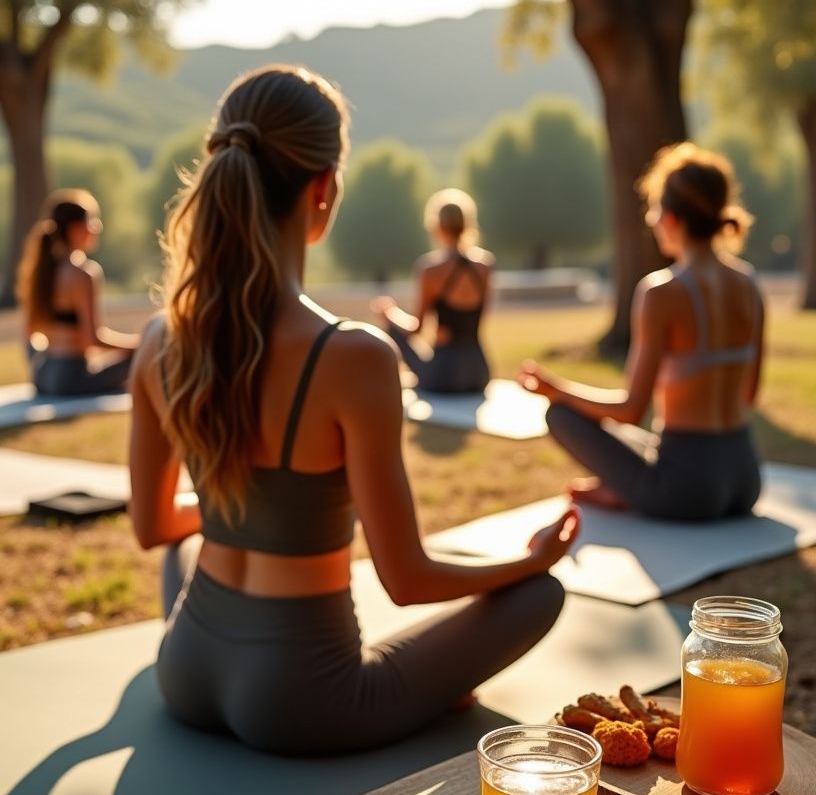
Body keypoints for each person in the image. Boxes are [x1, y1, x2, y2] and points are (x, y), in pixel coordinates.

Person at [128, 65, 579, 756]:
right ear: (324, 188)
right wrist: (528, 560)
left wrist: (236, 505)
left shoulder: (160, 337)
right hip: (305, 699)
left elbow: (155, 525)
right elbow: (406, 578)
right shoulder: (353, 355)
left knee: (190, 549)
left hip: (185, 669)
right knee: (539, 595)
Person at [518, 142, 763, 522]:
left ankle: (625, 491)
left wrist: (557, 389)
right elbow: (749, 393)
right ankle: (626, 486)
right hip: (745, 478)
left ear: (672, 219)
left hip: (688, 492)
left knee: (561, 416)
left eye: (653, 209)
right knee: (636, 443)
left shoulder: (662, 291)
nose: (649, 220)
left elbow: (631, 410)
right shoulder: (748, 284)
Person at [16, 189, 139, 396]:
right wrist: (137, 344)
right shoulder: (83, 274)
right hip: (71, 378)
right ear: (75, 229)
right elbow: (92, 339)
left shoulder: (43, 270)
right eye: (91, 221)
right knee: (150, 353)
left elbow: (28, 331)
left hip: (43, 374)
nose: (97, 227)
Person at [371, 188, 493, 394]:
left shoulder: (430, 269)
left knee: (392, 330)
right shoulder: (486, 265)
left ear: (437, 227)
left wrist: (389, 313)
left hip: (446, 376)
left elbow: (415, 328)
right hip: (479, 372)